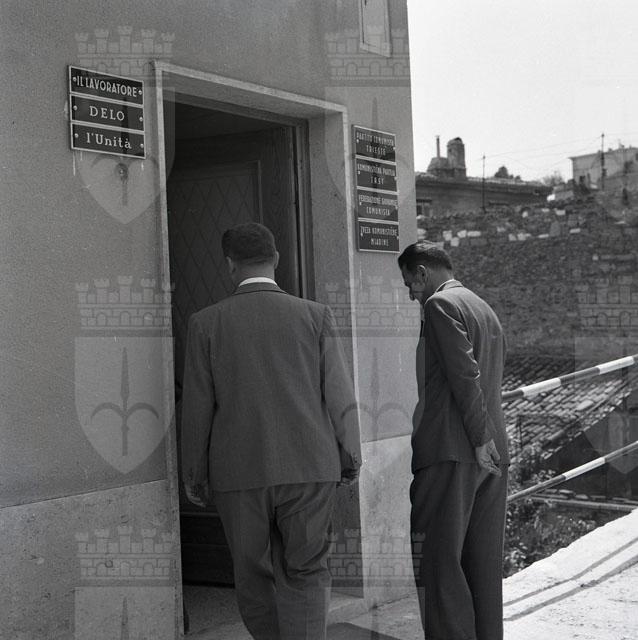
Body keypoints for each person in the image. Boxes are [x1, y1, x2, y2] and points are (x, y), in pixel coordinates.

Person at [180, 222, 361, 640]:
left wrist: (194, 474)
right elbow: (339, 393)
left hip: (239, 471)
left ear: (230, 265)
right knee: (308, 569)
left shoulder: (205, 324)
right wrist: (349, 455)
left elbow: (197, 409)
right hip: (310, 465)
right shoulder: (315, 315)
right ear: (276, 259)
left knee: (252, 574)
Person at [397, 241, 510, 640]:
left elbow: (465, 375)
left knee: (437, 563)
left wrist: (478, 438)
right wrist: (485, 439)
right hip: (492, 452)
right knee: (482, 565)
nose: (410, 294)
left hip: (453, 449)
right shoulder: (483, 307)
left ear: (422, 273)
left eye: (409, 283)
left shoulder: (439, 305)